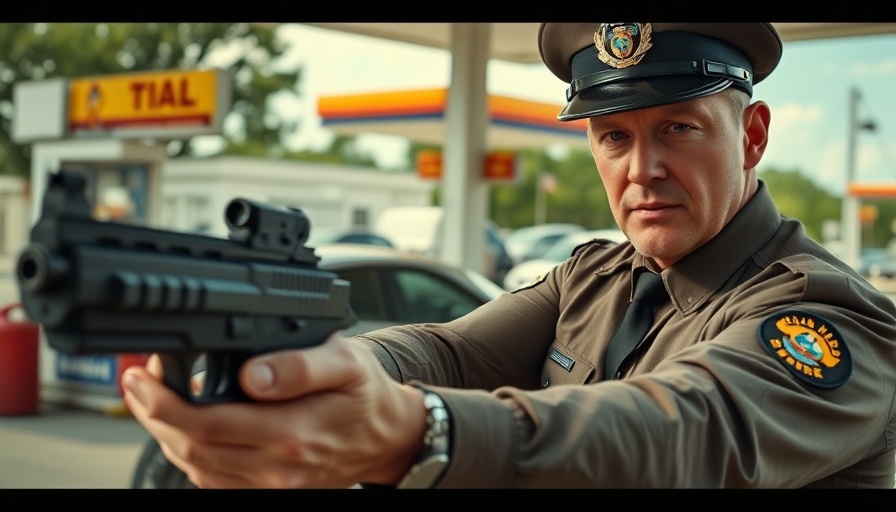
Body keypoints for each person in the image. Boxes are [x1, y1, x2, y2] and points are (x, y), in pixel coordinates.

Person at [121, 22, 896, 488]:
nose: (642, 169)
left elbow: (680, 433)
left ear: (752, 136)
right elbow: (446, 351)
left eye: (679, 129)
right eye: (614, 137)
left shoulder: (828, 312)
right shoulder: (595, 277)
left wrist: (415, 431)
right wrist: (317, 375)